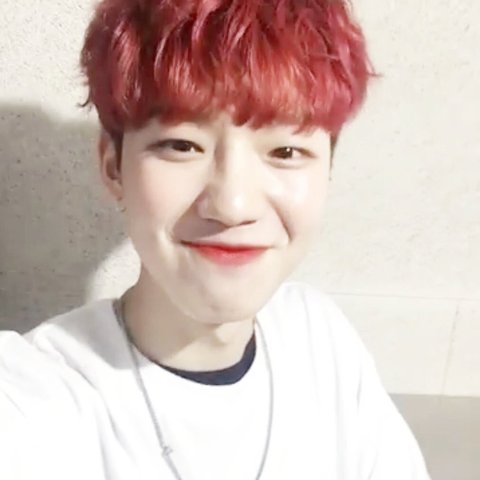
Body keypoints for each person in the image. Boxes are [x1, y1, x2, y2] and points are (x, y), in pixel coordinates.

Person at [0, 0, 431, 479]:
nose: (233, 205)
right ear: (112, 166)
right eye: (182, 145)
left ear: (329, 169)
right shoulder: (31, 400)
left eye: (286, 151)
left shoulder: (320, 342)